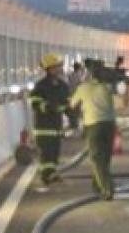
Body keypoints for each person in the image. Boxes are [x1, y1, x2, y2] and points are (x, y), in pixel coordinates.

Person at [70, 60, 117, 200]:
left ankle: (107, 188)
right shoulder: (108, 87)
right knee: (106, 156)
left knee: (97, 157)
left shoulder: (83, 88)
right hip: (109, 124)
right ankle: (97, 184)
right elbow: (122, 101)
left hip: (93, 125)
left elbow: (72, 105)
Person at [28, 53, 73, 190]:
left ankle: (52, 173)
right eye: (56, 66)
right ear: (49, 68)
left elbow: (68, 104)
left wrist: (73, 118)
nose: (59, 69)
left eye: (59, 66)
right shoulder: (40, 86)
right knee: (46, 153)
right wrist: (48, 107)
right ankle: (46, 176)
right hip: (43, 126)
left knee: (54, 152)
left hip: (56, 126)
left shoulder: (63, 86)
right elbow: (35, 103)